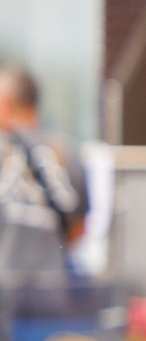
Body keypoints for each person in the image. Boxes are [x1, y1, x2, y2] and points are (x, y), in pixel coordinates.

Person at [0, 65, 86, 285]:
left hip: (5, 288)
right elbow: (79, 228)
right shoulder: (66, 150)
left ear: (5, 103)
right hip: (53, 286)